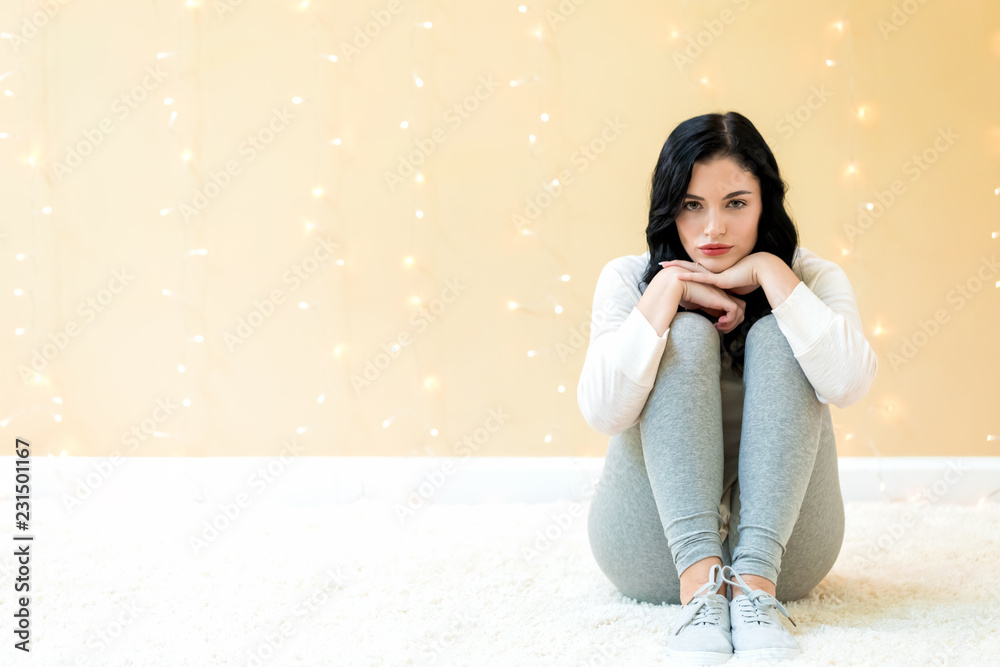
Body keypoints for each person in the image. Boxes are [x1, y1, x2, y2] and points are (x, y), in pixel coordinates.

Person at [577, 111, 878, 663]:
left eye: (735, 203)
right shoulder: (629, 278)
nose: (712, 228)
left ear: (766, 203)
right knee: (685, 335)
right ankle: (700, 590)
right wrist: (664, 294)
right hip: (650, 553)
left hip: (787, 558)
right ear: (670, 207)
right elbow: (602, 413)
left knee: (783, 335)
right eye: (693, 205)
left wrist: (772, 275)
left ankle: (754, 589)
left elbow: (850, 384)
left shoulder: (811, 277)